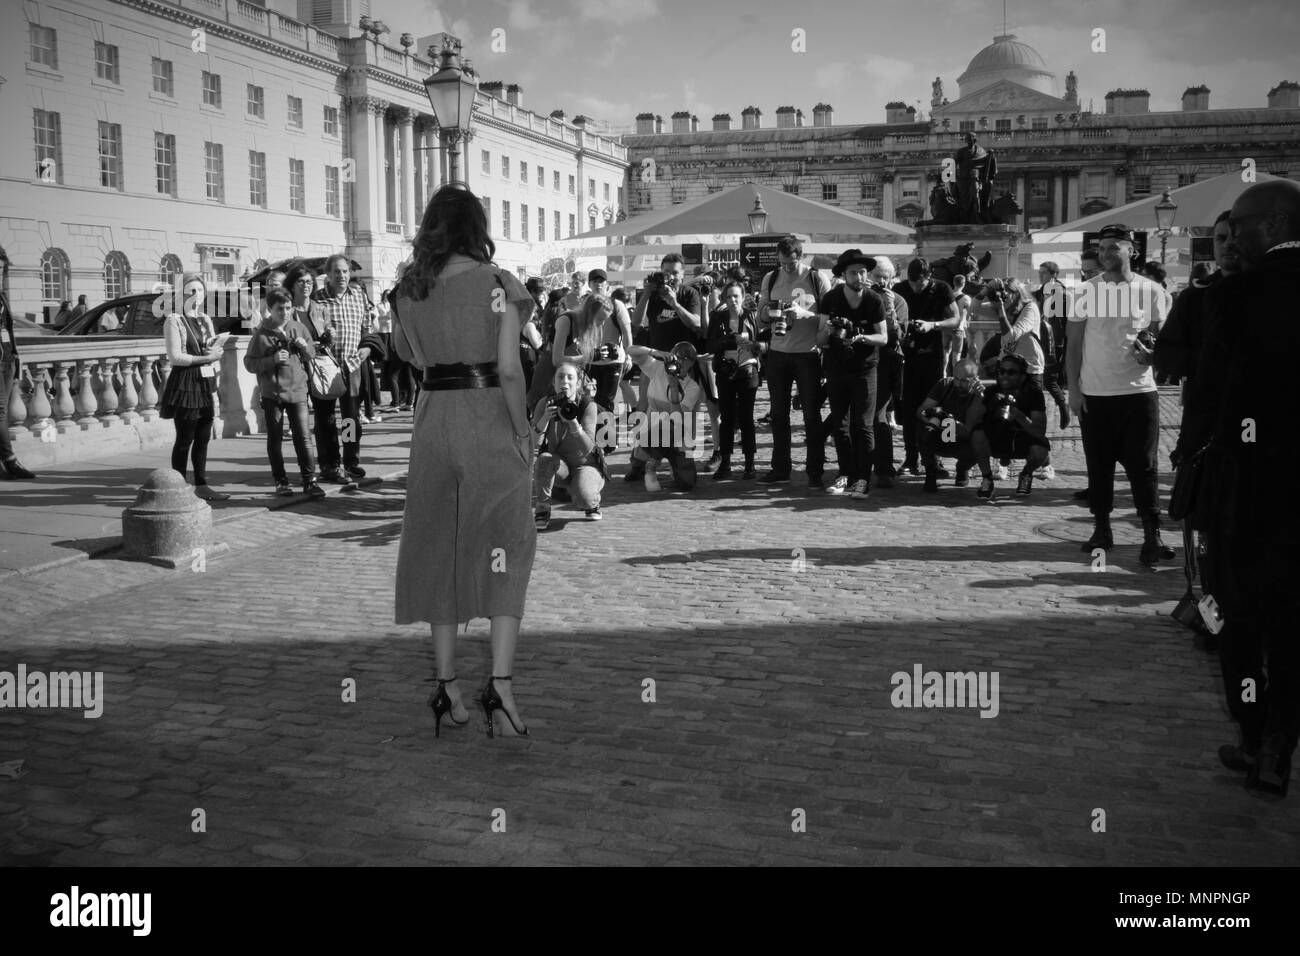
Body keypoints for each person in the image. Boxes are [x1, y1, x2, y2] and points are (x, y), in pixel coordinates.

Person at [391, 183, 537, 740]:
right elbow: (508, 369)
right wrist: (523, 430)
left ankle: (447, 685)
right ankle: (499, 686)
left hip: (432, 423)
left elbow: (408, 355)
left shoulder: (408, 288)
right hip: (487, 420)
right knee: (505, 545)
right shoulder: (498, 284)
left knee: (437, 546)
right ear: (477, 228)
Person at [1180, 179, 1300, 797]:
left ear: (1276, 226)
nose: (1230, 237)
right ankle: (1280, 742)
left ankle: (1255, 735)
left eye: (1242, 227)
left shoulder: (1238, 293)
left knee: (1237, 617)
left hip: (1246, 487)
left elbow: (1212, 392)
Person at [1066, 223, 1173, 564]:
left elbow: (1159, 337)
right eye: (1102, 248)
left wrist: (1153, 352)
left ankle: (1151, 534)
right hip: (1096, 393)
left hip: (1139, 392)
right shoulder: (1085, 291)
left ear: (1132, 250)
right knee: (1099, 466)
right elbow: (1074, 344)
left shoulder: (1152, 290)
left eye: (1114, 247)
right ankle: (1101, 528)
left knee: (1144, 466)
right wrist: (1074, 390)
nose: (1106, 253)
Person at [757, 236, 829, 489]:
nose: (786, 268)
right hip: (778, 353)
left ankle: (815, 470)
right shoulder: (771, 278)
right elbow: (760, 319)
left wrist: (804, 313)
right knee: (778, 415)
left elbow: (829, 317)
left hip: (807, 354)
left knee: (811, 415)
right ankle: (780, 467)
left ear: (801, 257)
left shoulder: (816, 278)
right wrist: (768, 314)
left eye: (791, 263)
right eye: (783, 263)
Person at [627, 254, 707, 480]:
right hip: (655, 363)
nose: (671, 277)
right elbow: (636, 323)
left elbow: (697, 324)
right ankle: (638, 462)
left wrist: (674, 303)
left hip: (683, 364)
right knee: (644, 410)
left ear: (683, 274)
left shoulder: (689, 294)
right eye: (667, 272)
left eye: (675, 272)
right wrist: (646, 293)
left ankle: (681, 459)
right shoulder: (652, 295)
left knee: (683, 412)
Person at [242, 289, 324, 497]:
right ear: (270, 309)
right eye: (280, 309)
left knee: (303, 437)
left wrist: (306, 348)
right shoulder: (261, 335)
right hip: (273, 394)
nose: (285, 313)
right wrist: (272, 360)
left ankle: (310, 480)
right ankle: (281, 481)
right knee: (275, 438)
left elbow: (311, 355)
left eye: (289, 308)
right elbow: (249, 364)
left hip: (298, 390)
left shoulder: (298, 328)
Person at [819, 250, 887, 499]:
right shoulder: (831, 299)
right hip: (837, 368)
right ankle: (845, 474)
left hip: (866, 368)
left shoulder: (873, 299)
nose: (859, 276)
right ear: (843, 275)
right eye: (853, 272)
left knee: (864, 425)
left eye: (862, 272)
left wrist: (862, 336)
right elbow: (819, 339)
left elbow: (884, 337)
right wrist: (828, 331)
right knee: (841, 425)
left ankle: (862, 478)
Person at [158, 273, 227, 500]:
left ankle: (201, 483)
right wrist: (206, 359)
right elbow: (175, 357)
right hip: (186, 382)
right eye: (190, 292)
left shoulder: (205, 319)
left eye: (200, 291)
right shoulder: (174, 320)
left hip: (205, 382)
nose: (196, 296)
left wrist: (215, 352)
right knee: (185, 437)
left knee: (204, 436)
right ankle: (178, 486)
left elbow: (212, 349)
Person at [308, 255, 375, 484]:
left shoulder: (359, 296)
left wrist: (366, 348)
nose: (342, 276)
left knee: (350, 419)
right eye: (337, 272)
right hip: (326, 367)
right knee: (325, 419)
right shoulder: (317, 300)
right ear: (328, 274)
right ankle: (330, 463)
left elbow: (367, 328)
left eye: (345, 271)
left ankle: (350, 461)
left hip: (351, 366)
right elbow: (311, 335)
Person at [893, 258, 959, 478]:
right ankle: (911, 457)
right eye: (911, 283)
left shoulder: (942, 288)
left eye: (918, 284)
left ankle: (935, 458)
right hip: (907, 356)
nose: (914, 288)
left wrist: (933, 325)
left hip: (933, 355)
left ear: (928, 277)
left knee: (934, 407)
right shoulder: (899, 288)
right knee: (909, 407)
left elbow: (956, 319)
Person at [531, 361, 607, 528]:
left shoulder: (587, 405)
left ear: (578, 383)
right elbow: (533, 445)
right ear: (554, 382)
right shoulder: (545, 404)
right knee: (544, 459)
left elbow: (588, 448)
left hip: (586, 465)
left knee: (584, 498)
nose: (565, 381)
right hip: (559, 465)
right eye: (560, 377)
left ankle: (591, 502)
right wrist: (544, 419)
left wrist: (573, 423)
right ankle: (542, 509)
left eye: (570, 377)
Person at [970, 353, 1051, 498]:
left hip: (1022, 439)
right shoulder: (991, 392)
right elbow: (973, 421)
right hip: (997, 437)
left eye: (1011, 372)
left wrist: (1019, 416)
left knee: (1041, 448)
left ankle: (1026, 474)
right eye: (1001, 371)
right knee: (977, 435)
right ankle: (987, 478)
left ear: (1023, 376)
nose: (1004, 376)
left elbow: (1040, 430)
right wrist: (979, 399)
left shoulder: (1033, 394)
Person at [626, 341, 703, 492]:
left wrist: (674, 388)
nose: (679, 363)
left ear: (691, 364)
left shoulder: (692, 387)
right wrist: (653, 351)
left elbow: (678, 419)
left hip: (677, 435)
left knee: (687, 483)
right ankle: (645, 465)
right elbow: (630, 350)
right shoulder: (658, 368)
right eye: (676, 358)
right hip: (651, 431)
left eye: (684, 360)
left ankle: (673, 466)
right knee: (653, 434)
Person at [705, 279, 762, 480]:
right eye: (728, 296)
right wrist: (730, 340)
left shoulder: (751, 316)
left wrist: (753, 345)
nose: (732, 300)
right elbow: (710, 345)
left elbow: (762, 343)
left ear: (743, 297)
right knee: (727, 418)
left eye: (736, 296)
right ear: (724, 298)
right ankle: (725, 462)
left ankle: (750, 464)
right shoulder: (717, 317)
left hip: (748, 370)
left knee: (746, 418)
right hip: (725, 371)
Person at [917, 358, 985, 491]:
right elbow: (921, 411)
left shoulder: (980, 394)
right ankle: (930, 472)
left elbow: (972, 428)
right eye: (956, 379)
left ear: (975, 379)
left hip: (963, 437)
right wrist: (932, 419)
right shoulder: (944, 385)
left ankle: (962, 469)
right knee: (921, 430)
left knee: (980, 439)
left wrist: (980, 398)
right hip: (941, 433)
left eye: (964, 381)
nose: (958, 384)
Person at [870, 257, 908, 487]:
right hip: (862, 362)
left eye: (886, 277)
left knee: (879, 415)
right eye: (878, 276)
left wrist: (890, 308)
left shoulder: (900, 302)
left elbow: (897, 336)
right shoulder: (863, 298)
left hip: (886, 364)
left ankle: (884, 468)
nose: (882, 281)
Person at [579, 270, 633, 412]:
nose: (598, 284)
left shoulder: (617, 305)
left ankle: (605, 433)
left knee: (606, 403)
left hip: (612, 362)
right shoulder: (584, 305)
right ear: (589, 284)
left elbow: (627, 332)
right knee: (588, 403)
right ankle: (592, 432)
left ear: (607, 284)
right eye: (594, 281)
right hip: (590, 361)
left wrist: (629, 355)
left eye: (601, 281)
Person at [0, 282, 36, 480]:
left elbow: (8, 329)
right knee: (1, 411)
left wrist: (15, 356)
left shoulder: (2, 295)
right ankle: (10, 459)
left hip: (7, 359)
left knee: (2, 412)